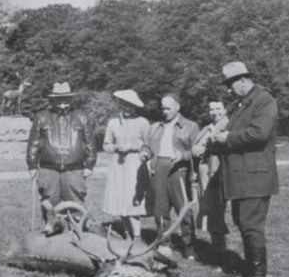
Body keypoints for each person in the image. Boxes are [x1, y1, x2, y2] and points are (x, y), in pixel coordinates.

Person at [206, 61, 279, 277]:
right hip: (243, 178)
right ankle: (250, 271)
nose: (229, 89)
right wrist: (214, 145)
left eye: (231, 84)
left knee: (251, 225)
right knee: (244, 223)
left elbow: (259, 133)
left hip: (254, 177)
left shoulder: (264, 100)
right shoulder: (244, 103)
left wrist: (226, 138)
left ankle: (258, 276)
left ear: (243, 80)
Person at [26, 82, 96, 236]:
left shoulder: (82, 117)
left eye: (65, 98)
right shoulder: (41, 117)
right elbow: (33, 143)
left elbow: (90, 143)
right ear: (53, 100)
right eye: (58, 99)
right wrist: (32, 165)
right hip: (48, 169)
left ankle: (77, 236)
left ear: (70, 99)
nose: (62, 102)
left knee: (76, 203)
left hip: (75, 169)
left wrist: (89, 165)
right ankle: (50, 240)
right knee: (50, 204)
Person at [141, 93, 199, 263]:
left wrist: (183, 155)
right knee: (160, 209)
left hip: (179, 170)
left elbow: (197, 151)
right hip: (158, 169)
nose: (165, 112)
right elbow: (146, 146)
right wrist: (144, 153)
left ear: (177, 107)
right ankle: (164, 243)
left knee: (184, 210)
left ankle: (189, 245)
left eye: (168, 108)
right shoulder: (155, 127)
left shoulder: (190, 126)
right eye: (163, 108)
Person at [101, 90, 150, 240]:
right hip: (118, 165)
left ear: (135, 106)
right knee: (119, 201)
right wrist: (115, 148)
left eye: (130, 105)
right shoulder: (113, 123)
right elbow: (106, 145)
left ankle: (137, 237)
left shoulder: (143, 122)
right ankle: (127, 234)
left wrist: (139, 151)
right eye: (123, 104)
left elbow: (148, 146)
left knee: (131, 200)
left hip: (134, 165)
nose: (126, 107)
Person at [192, 101, 229, 253]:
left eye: (218, 108)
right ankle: (216, 248)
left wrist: (205, 148)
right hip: (203, 172)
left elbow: (221, 145)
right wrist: (195, 149)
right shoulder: (207, 127)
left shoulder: (228, 125)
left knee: (216, 210)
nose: (214, 112)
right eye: (211, 109)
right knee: (206, 210)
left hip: (216, 172)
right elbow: (197, 145)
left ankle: (221, 251)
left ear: (225, 109)